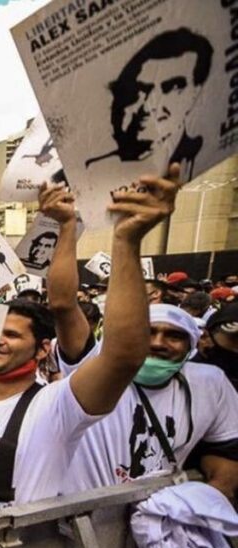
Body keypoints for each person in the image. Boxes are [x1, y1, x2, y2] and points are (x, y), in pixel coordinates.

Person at [0, 166, 182, 516]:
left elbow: (120, 357)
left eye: (12, 334)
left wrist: (124, 240)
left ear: (44, 348)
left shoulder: (56, 406)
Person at [41, 171, 238, 499]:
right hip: (80, 523)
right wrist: (68, 226)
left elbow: (224, 452)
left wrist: (206, 501)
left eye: (173, 336)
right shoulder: (94, 365)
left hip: (161, 521)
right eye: (148, 332)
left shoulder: (211, 384)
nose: (158, 343)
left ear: (193, 344)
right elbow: (62, 304)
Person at [85, 29, 214, 181]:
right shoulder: (97, 169)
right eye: (143, 89)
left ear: (194, 94)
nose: (149, 105)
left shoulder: (210, 155)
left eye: (171, 87)